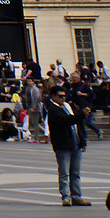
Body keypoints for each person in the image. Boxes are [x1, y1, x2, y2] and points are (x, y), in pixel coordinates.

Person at [44, 81, 86, 209]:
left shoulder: (67, 106)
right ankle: (66, 197)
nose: (63, 98)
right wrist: (82, 114)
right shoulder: (52, 110)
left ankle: (76, 196)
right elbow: (66, 121)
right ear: (54, 97)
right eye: (60, 96)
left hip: (74, 143)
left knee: (75, 172)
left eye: (64, 96)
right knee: (64, 172)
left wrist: (82, 140)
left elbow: (77, 125)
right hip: (63, 145)